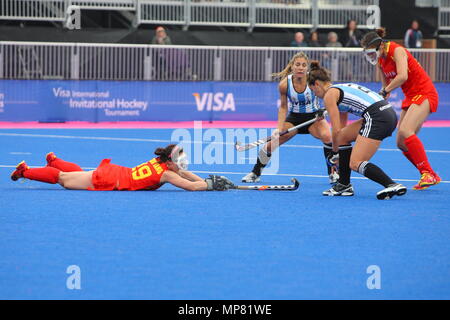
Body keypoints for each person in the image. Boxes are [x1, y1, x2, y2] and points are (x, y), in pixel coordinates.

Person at [307, 61, 407, 200]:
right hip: (386, 112)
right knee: (343, 138)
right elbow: (341, 131)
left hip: (377, 116)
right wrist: (337, 148)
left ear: (316, 84)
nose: (315, 94)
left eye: (313, 90)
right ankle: (344, 185)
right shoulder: (338, 89)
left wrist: (334, 152)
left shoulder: (329, 95)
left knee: (355, 162)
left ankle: (391, 184)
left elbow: (335, 131)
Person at [361, 27, 441, 190]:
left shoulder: (397, 50)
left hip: (424, 92)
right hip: (410, 97)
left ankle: (428, 173)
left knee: (405, 130)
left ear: (380, 46)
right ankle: (429, 173)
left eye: (372, 52)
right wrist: (378, 98)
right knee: (401, 142)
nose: (371, 56)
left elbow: (403, 76)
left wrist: (386, 90)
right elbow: (386, 88)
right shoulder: (380, 61)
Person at [241, 52, 339, 184]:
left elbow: (332, 94)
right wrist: (278, 128)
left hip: (315, 118)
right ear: (292, 66)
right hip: (294, 119)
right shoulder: (284, 85)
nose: (300, 68)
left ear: (307, 68)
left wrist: (325, 110)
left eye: (304, 65)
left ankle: (333, 173)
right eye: (297, 64)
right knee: (270, 145)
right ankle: (255, 173)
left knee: (328, 137)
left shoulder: (315, 80)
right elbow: (283, 107)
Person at [10, 145, 234, 192]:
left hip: (116, 173)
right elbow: (191, 187)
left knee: (77, 172)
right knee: (64, 180)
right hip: (110, 180)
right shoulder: (166, 173)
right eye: (180, 160)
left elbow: (185, 175)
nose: (182, 165)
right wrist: (209, 185)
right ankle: (25, 171)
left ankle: (54, 161)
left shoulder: (163, 164)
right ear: (171, 161)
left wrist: (206, 179)